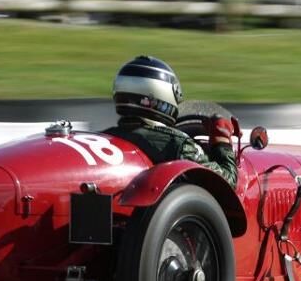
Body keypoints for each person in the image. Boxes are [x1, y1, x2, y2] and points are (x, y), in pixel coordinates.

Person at [100, 56, 237, 188]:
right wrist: (222, 142)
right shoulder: (177, 145)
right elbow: (227, 181)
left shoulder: (104, 137)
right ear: (160, 95)